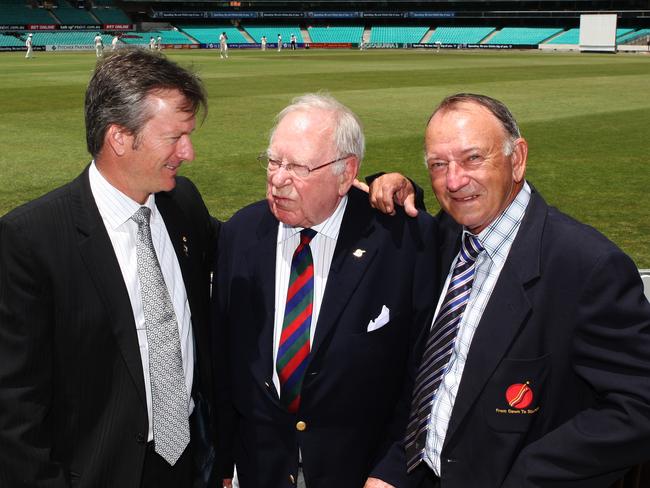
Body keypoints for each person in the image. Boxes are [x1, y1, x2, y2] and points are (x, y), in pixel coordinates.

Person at [363, 93, 650, 487]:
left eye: (473, 159)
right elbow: (440, 379)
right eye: (438, 165)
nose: (454, 181)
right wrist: (394, 471)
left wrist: (529, 476)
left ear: (517, 159)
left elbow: (638, 406)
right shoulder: (451, 235)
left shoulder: (589, 266)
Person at [0, 49, 219, 488]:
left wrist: (383, 187)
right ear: (119, 137)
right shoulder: (31, 239)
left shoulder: (183, 205)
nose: (189, 152)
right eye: (174, 137)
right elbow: (14, 406)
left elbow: (254, 249)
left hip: (189, 465)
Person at [213, 93, 438, 488]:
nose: (278, 178)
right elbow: (225, 363)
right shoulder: (240, 234)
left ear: (346, 172)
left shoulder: (402, 241)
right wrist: (223, 467)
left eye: (298, 166)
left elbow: (424, 376)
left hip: (362, 475)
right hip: (260, 473)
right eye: (273, 161)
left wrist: (390, 472)